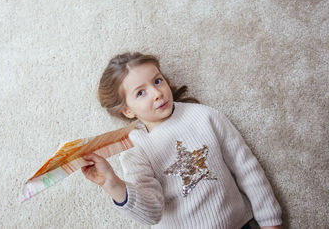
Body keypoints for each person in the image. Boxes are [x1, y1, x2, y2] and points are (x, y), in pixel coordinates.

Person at [81, 52, 282, 229]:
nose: (157, 93)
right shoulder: (134, 148)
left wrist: (270, 220)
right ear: (128, 110)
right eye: (141, 93)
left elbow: (246, 168)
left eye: (158, 81)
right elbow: (151, 213)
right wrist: (113, 184)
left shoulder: (205, 116)